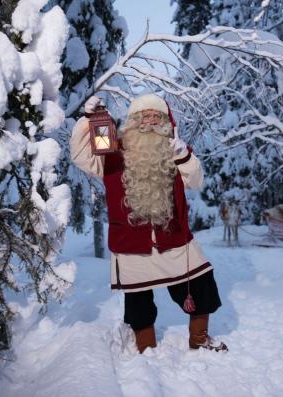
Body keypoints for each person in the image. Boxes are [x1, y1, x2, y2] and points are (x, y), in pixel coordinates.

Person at [69, 93, 227, 353]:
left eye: (157, 116)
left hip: (173, 238)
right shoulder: (112, 153)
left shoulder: (173, 152)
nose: (151, 121)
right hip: (132, 243)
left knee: (201, 282)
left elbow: (197, 180)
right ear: (133, 121)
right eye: (145, 116)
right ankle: (146, 346)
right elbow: (80, 156)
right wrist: (88, 120)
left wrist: (183, 155)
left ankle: (199, 338)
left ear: (166, 122)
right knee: (139, 300)